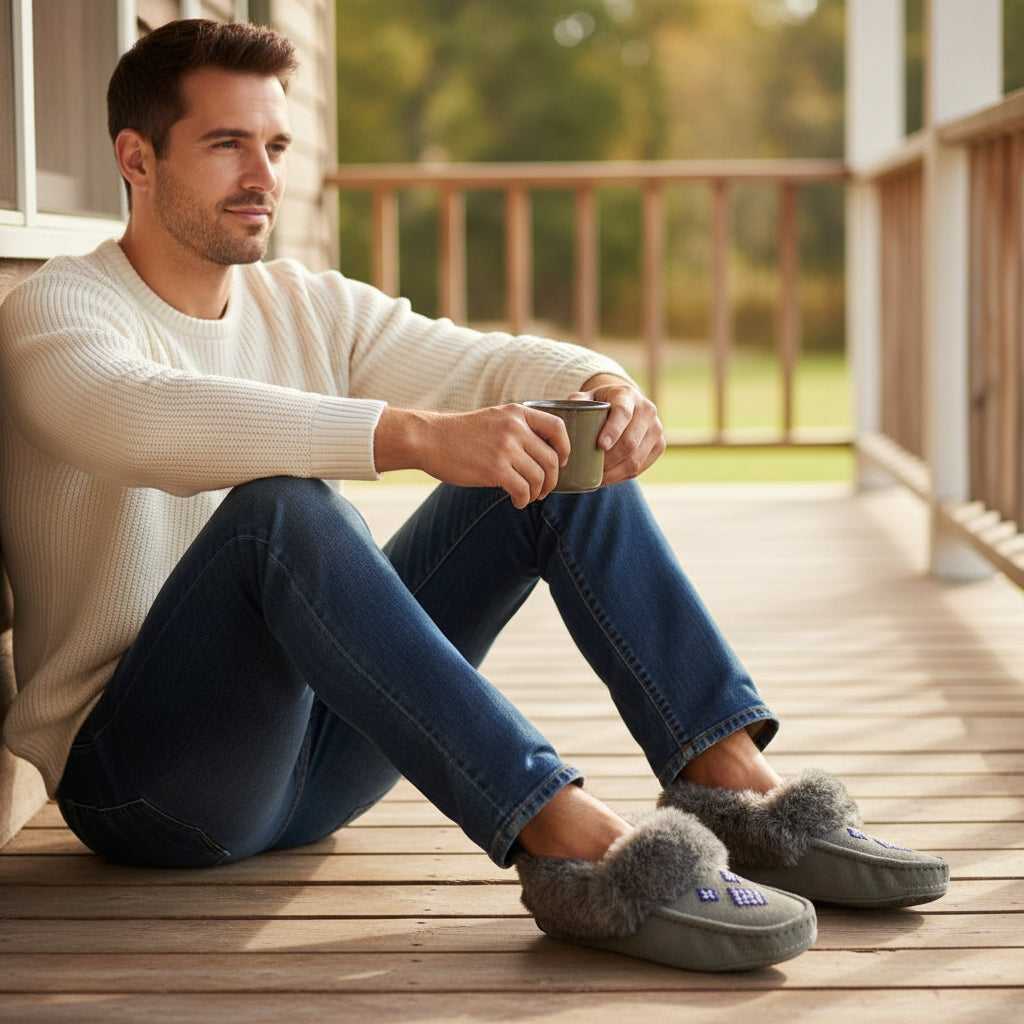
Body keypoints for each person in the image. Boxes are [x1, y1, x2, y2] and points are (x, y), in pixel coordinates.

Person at [0, 19, 947, 973]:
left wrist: (604, 385)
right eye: (225, 144)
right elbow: (138, 417)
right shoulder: (57, 310)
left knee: (557, 442)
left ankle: (733, 786)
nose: (263, 176)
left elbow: (487, 360)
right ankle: (573, 844)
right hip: (150, 788)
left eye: (276, 145)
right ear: (137, 158)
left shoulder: (306, 304)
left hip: (321, 763)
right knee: (283, 515)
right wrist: (414, 435)